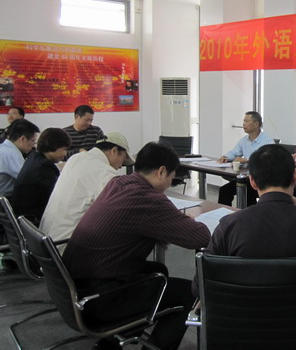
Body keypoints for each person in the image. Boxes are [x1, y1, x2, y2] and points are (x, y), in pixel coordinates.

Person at [62, 142, 211, 350]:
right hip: (99, 299)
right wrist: (179, 218)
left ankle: (114, 340)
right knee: (189, 293)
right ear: (161, 172)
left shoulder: (118, 183)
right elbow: (199, 237)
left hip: (73, 289)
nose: (170, 183)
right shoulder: (147, 199)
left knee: (157, 271)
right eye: (171, 177)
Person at [194, 144, 296, 296]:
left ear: (252, 182)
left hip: (242, 315)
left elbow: (198, 285)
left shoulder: (229, 225)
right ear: (295, 177)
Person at [40, 132, 134, 250]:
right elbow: (120, 213)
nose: (121, 166)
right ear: (113, 151)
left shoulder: (76, 158)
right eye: (123, 160)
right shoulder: (104, 172)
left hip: (47, 243)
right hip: (65, 248)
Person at [10, 128, 71, 225]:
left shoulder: (34, 158)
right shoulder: (44, 168)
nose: (65, 154)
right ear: (54, 146)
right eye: (64, 149)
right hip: (33, 222)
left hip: (23, 219)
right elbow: (58, 198)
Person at [216, 111, 274, 206]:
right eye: (244, 121)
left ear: (256, 124)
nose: (243, 124)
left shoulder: (267, 141)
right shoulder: (244, 140)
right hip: (246, 178)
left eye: (246, 121)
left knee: (248, 194)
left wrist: (247, 159)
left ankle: (247, 213)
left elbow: (267, 160)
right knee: (224, 191)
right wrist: (225, 157)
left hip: (261, 180)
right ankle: (225, 214)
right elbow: (235, 152)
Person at [0, 118, 39, 198]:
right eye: (33, 141)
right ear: (23, 139)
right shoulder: (12, 154)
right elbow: (30, 178)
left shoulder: (3, 148)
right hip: (5, 200)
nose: (33, 146)